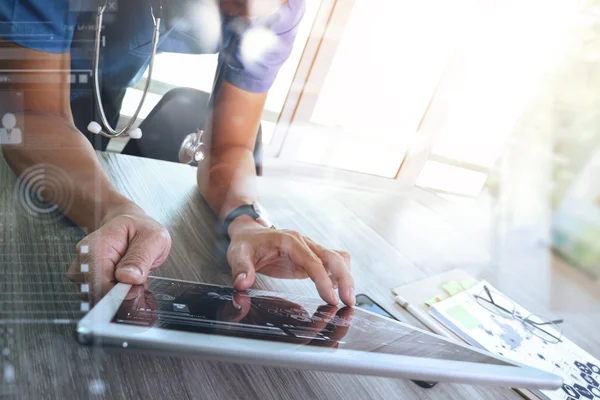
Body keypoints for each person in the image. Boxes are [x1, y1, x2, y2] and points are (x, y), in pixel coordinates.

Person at [0, 0, 355, 306]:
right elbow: (31, 114)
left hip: (99, 76)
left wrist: (245, 220)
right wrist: (112, 210)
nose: (245, 14)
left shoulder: (279, 8)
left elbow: (229, 146)